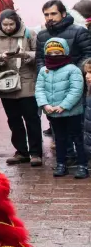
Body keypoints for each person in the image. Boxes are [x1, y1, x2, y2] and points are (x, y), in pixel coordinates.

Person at [0, 10, 41, 166]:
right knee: (14, 120)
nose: (8, 28)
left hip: (27, 83)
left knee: (32, 119)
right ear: (0, 23)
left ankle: (36, 153)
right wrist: (0, 57)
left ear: (17, 22)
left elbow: (39, 54)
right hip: (6, 84)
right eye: (5, 25)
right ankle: (21, 152)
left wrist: (24, 55)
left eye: (12, 24)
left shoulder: (29, 33)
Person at [35, 39, 87, 179]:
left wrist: (64, 105)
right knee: (59, 138)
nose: (53, 55)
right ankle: (61, 164)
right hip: (53, 112)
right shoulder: (43, 70)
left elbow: (76, 90)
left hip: (71, 112)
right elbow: (39, 89)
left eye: (57, 52)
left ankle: (82, 164)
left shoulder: (73, 69)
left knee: (77, 138)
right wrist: (45, 104)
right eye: (50, 53)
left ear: (64, 52)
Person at [37, 0, 91, 70]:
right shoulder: (41, 35)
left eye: (53, 14)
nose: (49, 18)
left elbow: (88, 55)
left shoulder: (80, 31)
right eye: (46, 15)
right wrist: (45, 74)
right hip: (49, 79)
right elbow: (39, 59)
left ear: (63, 14)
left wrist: (75, 73)